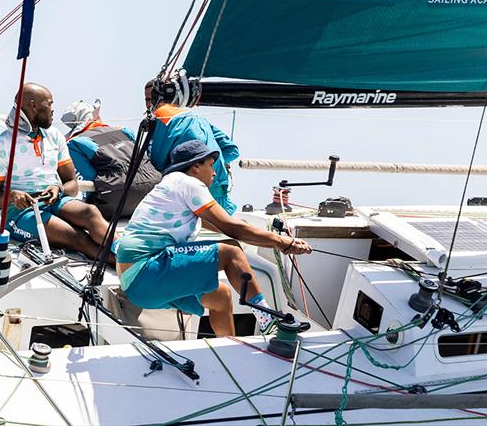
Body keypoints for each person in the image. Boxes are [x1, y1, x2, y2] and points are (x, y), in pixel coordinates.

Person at [113, 140, 311, 337]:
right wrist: (284, 242)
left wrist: (280, 244)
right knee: (231, 251)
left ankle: (229, 348)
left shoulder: (170, 186)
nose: (215, 173)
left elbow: (228, 228)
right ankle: (269, 323)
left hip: (135, 285)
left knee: (221, 297)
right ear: (196, 166)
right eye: (211, 165)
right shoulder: (189, 183)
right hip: (146, 270)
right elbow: (233, 230)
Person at [0, 83, 113, 263]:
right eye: (50, 104)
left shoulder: (55, 136)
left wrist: (58, 188)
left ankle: (131, 256)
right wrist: (12, 196)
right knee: (77, 237)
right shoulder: (2, 144)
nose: (53, 110)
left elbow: (72, 184)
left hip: (55, 201)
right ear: (33, 105)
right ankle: (127, 267)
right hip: (20, 215)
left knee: (90, 212)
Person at [145, 80, 240, 215]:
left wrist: (195, 165)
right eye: (146, 99)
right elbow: (232, 150)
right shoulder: (198, 118)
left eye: (151, 99)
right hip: (220, 197)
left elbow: (156, 164)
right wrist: (211, 164)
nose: (149, 104)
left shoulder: (164, 117)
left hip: (193, 198)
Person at [61, 99, 161, 221]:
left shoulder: (75, 143)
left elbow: (88, 177)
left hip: (117, 197)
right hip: (155, 190)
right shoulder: (125, 131)